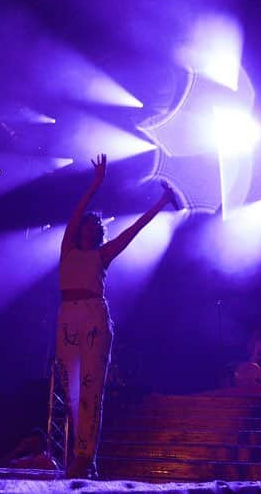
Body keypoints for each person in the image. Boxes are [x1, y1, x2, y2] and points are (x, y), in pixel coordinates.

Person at [56, 154, 178, 478]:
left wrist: (163, 201)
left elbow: (134, 230)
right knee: (71, 387)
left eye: (94, 228)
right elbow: (75, 213)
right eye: (86, 226)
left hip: (94, 316)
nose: (88, 230)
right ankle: (84, 458)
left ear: (98, 235)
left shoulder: (102, 254)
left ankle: (83, 458)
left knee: (91, 387)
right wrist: (95, 183)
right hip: (67, 316)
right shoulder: (67, 247)